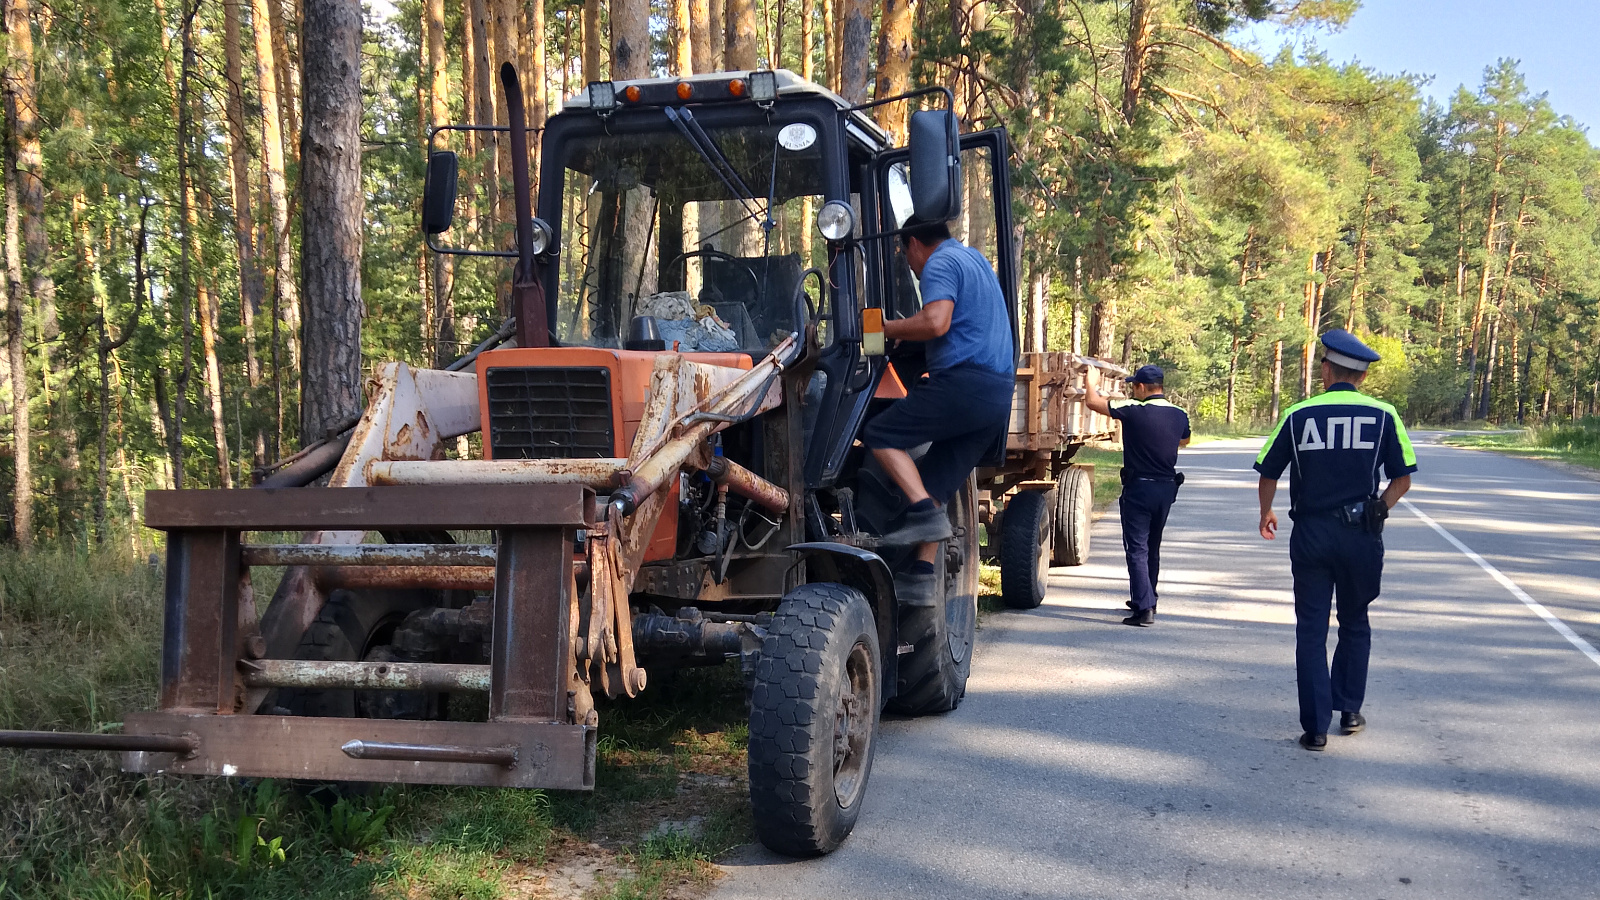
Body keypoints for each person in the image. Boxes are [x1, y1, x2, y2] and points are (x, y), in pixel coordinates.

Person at [1254, 329, 1417, 752]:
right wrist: (1380, 507)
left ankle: (1315, 727)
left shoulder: (1298, 414)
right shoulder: (1384, 415)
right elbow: (1403, 478)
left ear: (1326, 369)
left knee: (1310, 629)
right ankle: (1349, 709)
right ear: (1361, 376)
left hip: (1311, 534)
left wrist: (1265, 511)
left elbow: (1268, 472)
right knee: (1355, 620)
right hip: (1360, 534)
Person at [862, 220, 1015, 604]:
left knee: (880, 434)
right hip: (996, 396)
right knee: (935, 484)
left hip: (965, 383)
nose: (910, 266)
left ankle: (922, 513)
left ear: (914, 243)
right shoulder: (975, 260)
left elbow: (936, 321)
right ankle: (921, 576)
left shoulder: (939, 263)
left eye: (905, 254)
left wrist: (885, 327)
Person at [1085, 365, 1191, 627]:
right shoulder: (1180, 413)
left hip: (1139, 488)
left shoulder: (1133, 409)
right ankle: (1148, 598)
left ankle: (1144, 609)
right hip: (1166, 488)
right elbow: (1184, 441)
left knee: (1137, 549)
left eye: (1134, 386)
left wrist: (1091, 381)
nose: (1133, 389)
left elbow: (1092, 402)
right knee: (1152, 547)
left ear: (1142, 387)